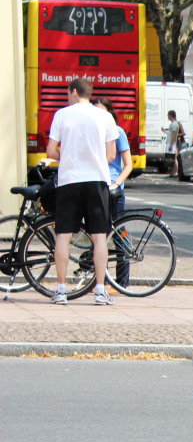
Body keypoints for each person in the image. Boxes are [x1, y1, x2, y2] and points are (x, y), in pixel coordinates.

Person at [46, 77, 117, 305]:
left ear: (74, 92)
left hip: (69, 180)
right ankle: (99, 291)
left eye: (68, 93)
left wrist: (68, 157)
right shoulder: (105, 116)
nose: (68, 97)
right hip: (96, 181)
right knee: (99, 238)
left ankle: (60, 290)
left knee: (63, 236)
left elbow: (50, 151)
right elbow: (111, 155)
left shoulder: (62, 115)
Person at [92, 96, 132, 286]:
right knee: (97, 235)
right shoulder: (92, 132)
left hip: (113, 190)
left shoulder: (117, 132)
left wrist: (117, 183)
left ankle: (122, 282)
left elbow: (129, 165)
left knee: (118, 234)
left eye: (102, 111)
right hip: (96, 186)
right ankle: (99, 280)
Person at [162, 109, 184, 177]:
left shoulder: (174, 124)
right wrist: (164, 132)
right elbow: (171, 134)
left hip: (171, 143)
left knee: (173, 158)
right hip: (169, 142)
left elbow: (174, 135)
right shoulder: (173, 124)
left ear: (171, 115)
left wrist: (171, 145)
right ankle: (173, 172)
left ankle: (175, 172)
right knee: (171, 158)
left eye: (168, 115)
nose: (167, 116)